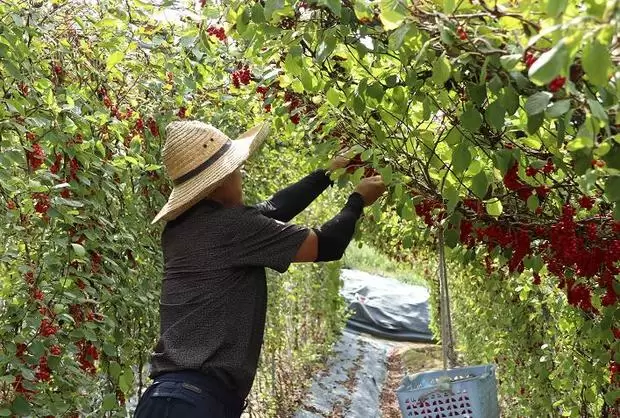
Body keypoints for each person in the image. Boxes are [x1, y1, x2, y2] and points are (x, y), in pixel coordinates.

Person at [134, 120, 386, 417]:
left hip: (164, 398)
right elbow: (328, 244)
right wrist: (357, 201)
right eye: (237, 168)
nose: (241, 173)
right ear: (221, 180)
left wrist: (328, 173)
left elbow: (272, 209)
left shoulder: (182, 229)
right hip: (195, 404)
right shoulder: (231, 228)